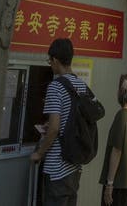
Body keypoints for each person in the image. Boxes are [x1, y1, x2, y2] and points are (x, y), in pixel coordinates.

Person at [30, 38, 90, 206]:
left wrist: (39, 153)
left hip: (57, 169)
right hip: (75, 167)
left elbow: (54, 128)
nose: (50, 64)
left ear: (56, 60)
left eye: (50, 60)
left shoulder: (55, 87)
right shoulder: (81, 85)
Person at [99, 73, 127, 206]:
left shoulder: (122, 115)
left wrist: (109, 184)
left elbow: (117, 151)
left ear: (123, 90)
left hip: (118, 185)